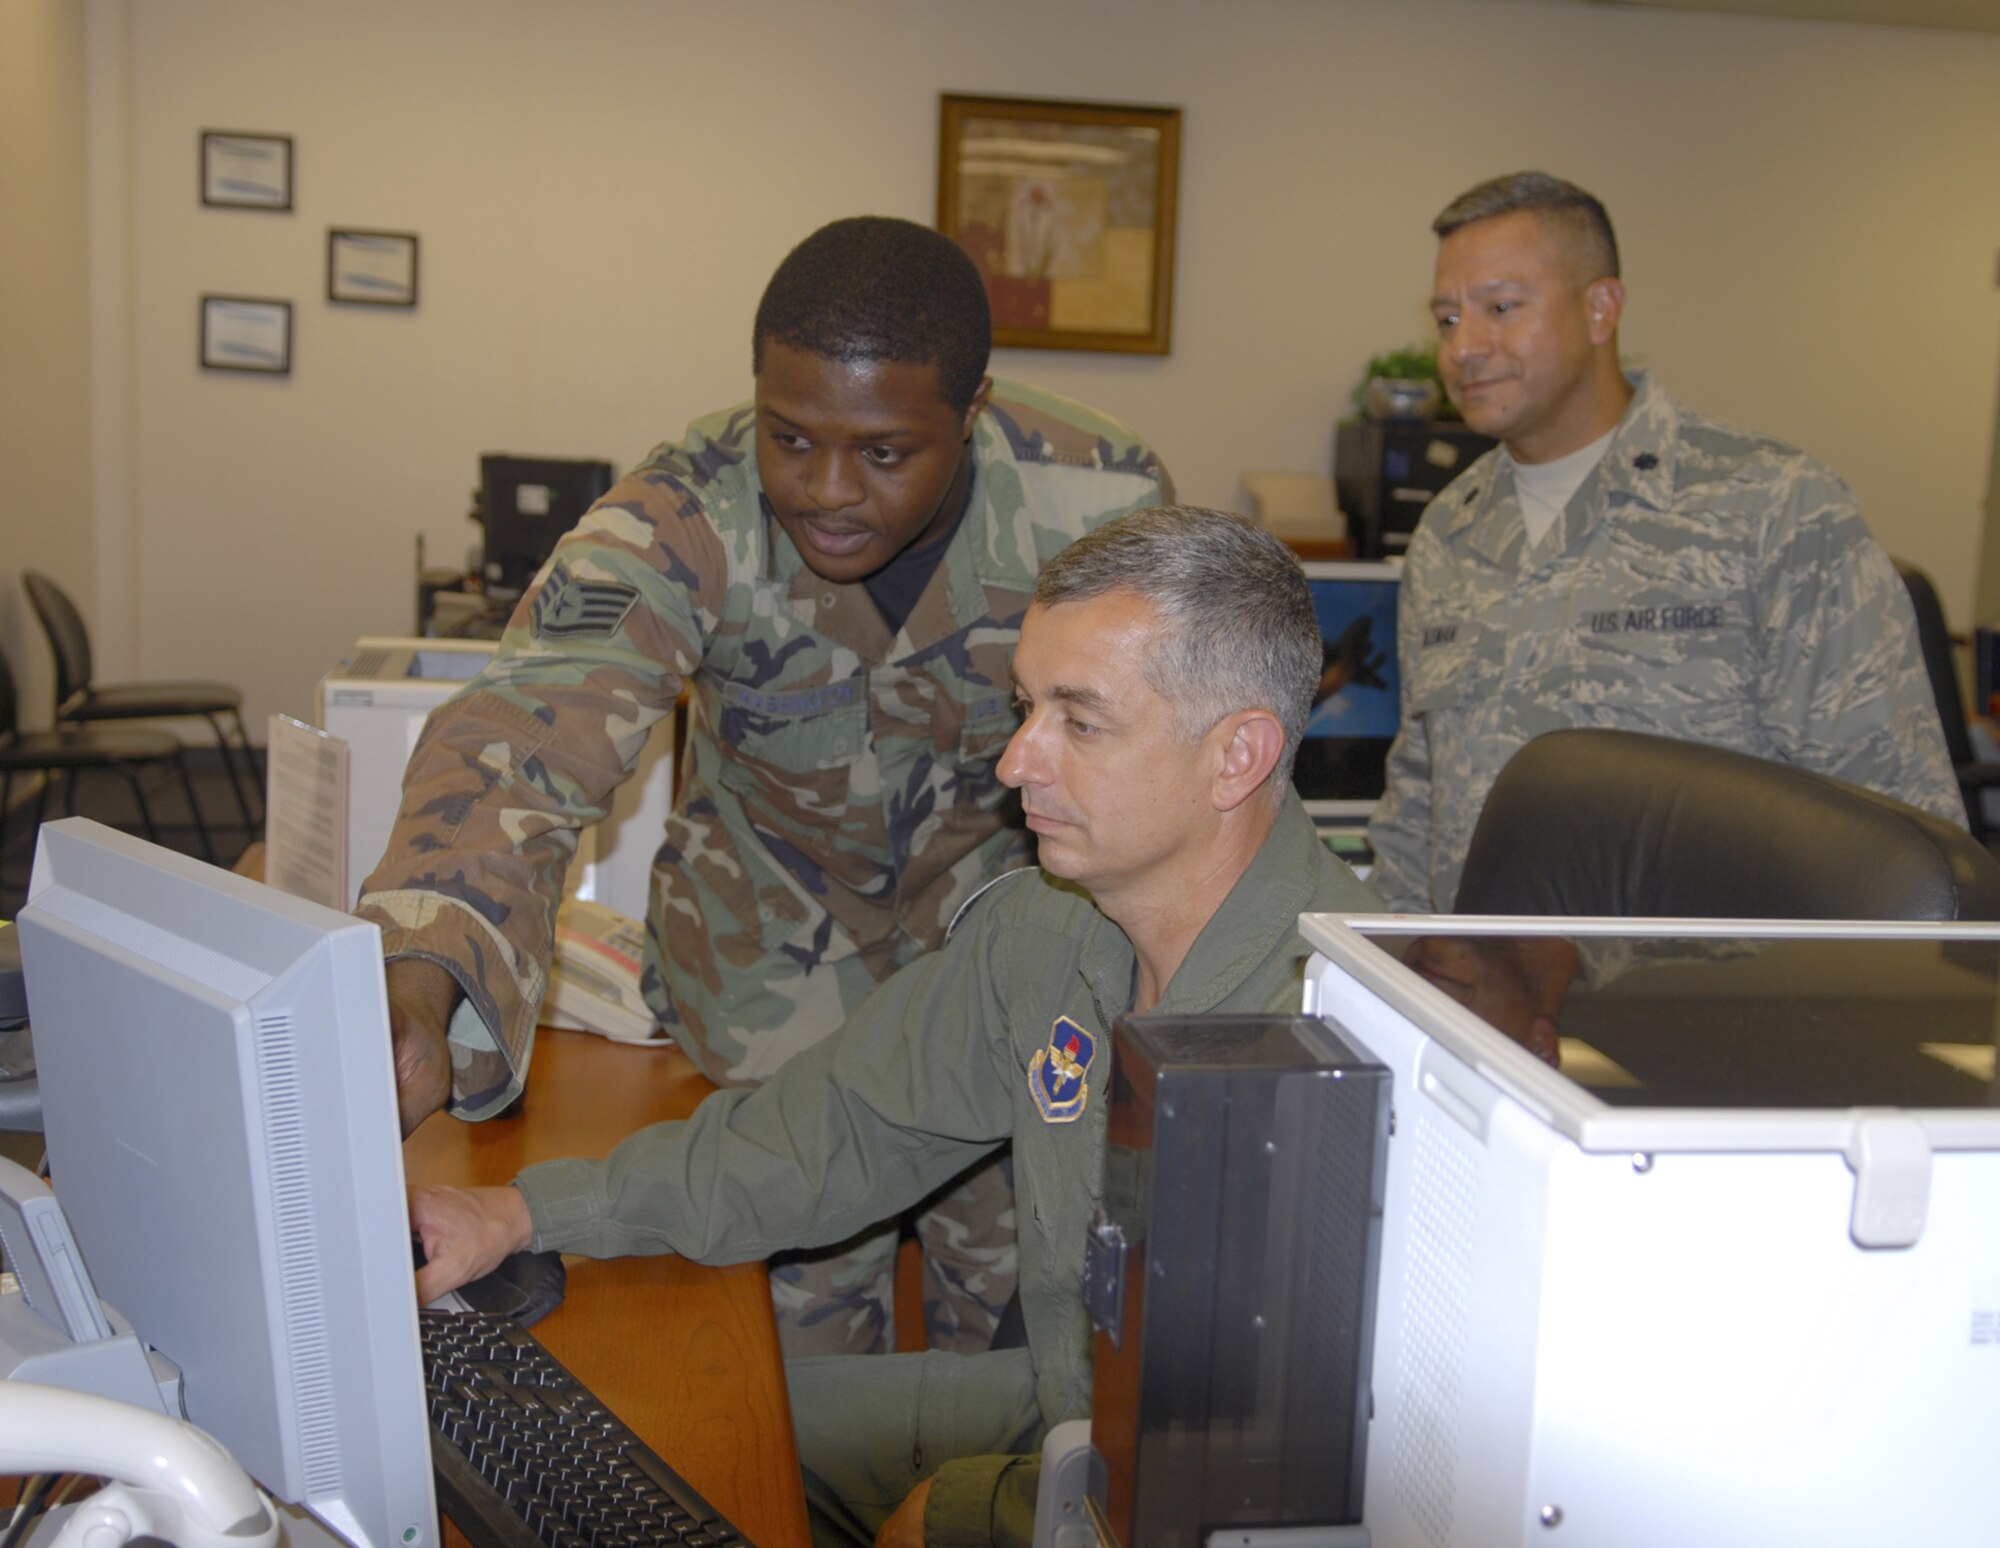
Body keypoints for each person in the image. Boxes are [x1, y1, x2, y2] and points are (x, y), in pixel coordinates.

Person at [406, 507, 1383, 1548]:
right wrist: (529, 1213)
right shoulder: (1050, 929)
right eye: (1026, 708)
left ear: (1237, 756)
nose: (1016, 762)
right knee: (679, 1424)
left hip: (1187, 1491)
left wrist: (973, 1515)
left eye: (1081, 722)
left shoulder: (1342, 1038)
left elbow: (1262, 1465)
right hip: (1065, 1401)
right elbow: (836, 1128)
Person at [357, 216, 1171, 1358]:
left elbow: (1169, 776)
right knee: (786, 1376)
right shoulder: (687, 514)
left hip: (1005, 986)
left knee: (1021, 1354)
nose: (827, 489)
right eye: (788, 438)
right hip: (769, 992)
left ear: (972, 412)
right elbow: (524, 739)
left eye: (884, 453)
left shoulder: (1098, 503)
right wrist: (418, 970)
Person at [1367, 171, 1964, 915]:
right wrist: (1378, 957)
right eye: (1448, 318)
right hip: (1480, 978)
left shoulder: (1772, 506)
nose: (1464, 348)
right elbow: (1419, 805)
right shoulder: (1447, 532)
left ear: (1601, 308)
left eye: (1501, 308)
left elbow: (1904, 832)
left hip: (1705, 982)